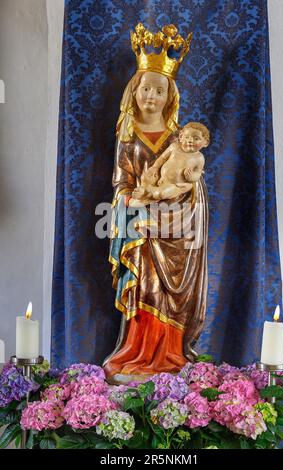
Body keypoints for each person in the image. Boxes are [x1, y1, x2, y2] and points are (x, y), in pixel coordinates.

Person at [102, 23, 209, 385]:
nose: (151, 95)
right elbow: (122, 185)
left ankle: (170, 355)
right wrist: (132, 202)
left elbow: (194, 186)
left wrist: (178, 203)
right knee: (144, 287)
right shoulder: (128, 139)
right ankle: (138, 351)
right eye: (145, 87)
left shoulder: (182, 140)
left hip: (176, 232)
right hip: (142, 232)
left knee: (169, 294)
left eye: (159, 90)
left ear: (170, 96)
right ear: (133, 92)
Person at [129, 122, 210, 206]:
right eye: (187, 137)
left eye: (196, 138)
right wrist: (155, 167)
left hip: (176, 185)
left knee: (162, 193)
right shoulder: (174, 146)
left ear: (205, 143)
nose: (190, 140)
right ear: (181, 136)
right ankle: (145, 190)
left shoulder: (199, 158)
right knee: (146, 176)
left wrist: (191, 177)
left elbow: (198, 173)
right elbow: (163, 158)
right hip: (160, 178)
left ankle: (147, 195)